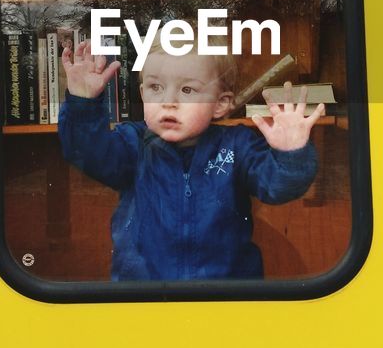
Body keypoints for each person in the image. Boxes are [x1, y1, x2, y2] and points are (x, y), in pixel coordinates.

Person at [58, 33, 324, 282]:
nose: (168, 101)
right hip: (143, 298)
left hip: (225, 299)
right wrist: (82, 104)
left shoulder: (237, 146)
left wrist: (290, 153)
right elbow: (86, 153)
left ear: (220, 104)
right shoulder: (133, 144)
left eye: (187, 90)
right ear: (142, 95)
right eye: (155, 87)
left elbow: (278, 187)